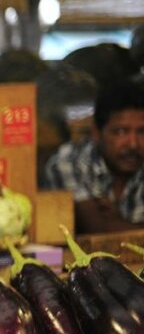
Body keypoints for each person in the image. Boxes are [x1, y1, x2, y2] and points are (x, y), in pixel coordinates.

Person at [44, 79, 144, 233]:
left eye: (142, 132)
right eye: (121, 132)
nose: (133, 144)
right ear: (96, 133)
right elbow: (99, 231)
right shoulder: (69, 162)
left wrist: (116, 221)